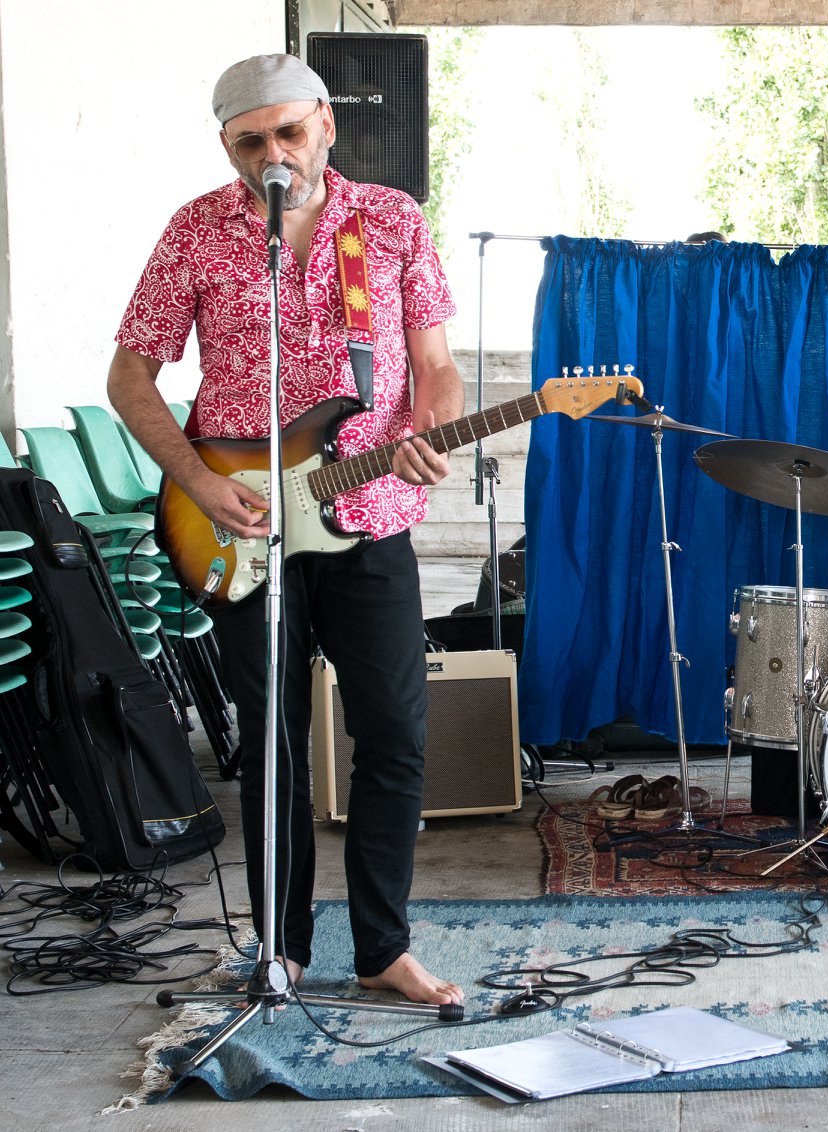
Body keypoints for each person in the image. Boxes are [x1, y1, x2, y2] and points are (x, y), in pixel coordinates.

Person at [108, 54, 465, 1005]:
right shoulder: (197, 229)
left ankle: (384, 945)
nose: (275, 154)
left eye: (289, 132)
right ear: (227, 147)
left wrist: (426, 427)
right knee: (273, 742)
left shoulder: (391, 220)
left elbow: (435, 368)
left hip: (370, 511)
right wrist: (196, 480)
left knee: (395, 734)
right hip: (239, 524)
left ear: (326, 126)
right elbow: (130, 379)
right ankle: (282, 945)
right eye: (250, 141)